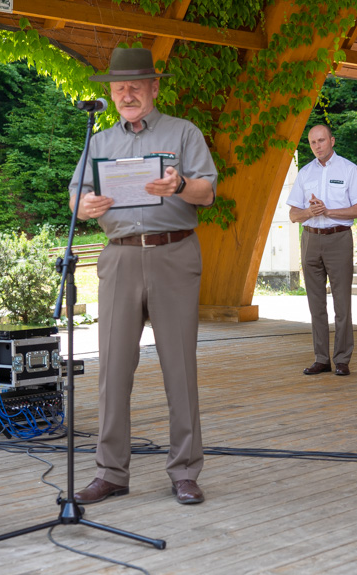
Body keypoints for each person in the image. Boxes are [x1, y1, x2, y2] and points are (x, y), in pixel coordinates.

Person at [68, 48, 217, 504]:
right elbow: (76, 195)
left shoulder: (183, 132)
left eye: (135, 86)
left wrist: (178, 186)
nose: (126, 94)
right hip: (119, 258)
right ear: (110, 93)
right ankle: (111, 472)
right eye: (119, 88)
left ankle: (185, 471)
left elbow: (207, 192)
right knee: (111, 368)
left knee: (179, 367)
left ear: (154, 88)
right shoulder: (99, 140)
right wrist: (84, 206)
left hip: (173, 254)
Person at [287, 124, 357, 377]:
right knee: (315, 304)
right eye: (312, 142)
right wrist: (309, 212)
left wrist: (328, 211)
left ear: (332, 140)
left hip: (338, 239)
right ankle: (321, 359)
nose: (317, 146)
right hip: (310, 240)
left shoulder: (349, 169)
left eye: (321, 140)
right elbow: (292, 215)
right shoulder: (305, 173)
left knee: (342, 303)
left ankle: (342, 359)